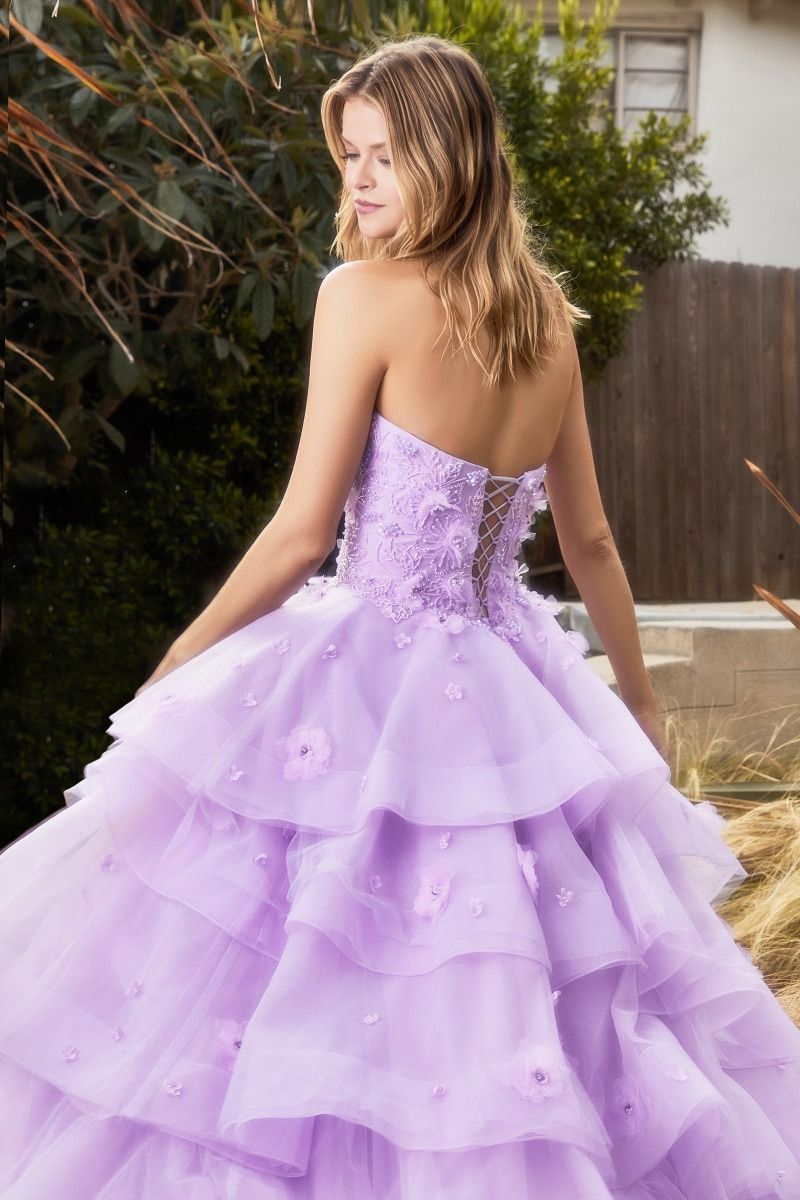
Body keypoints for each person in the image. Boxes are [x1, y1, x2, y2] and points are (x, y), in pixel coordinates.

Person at [1, 32, 798, 1200]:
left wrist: (180, 658)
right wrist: (632, 704)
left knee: (284, 962)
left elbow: (300, 533)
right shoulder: (544, 319)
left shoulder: (362, 297)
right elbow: (589, 547)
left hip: (368, 666)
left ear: (449, 157)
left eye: (384, 154)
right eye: (350, 156)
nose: (360, 179)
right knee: (509, 980)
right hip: (515, 685)